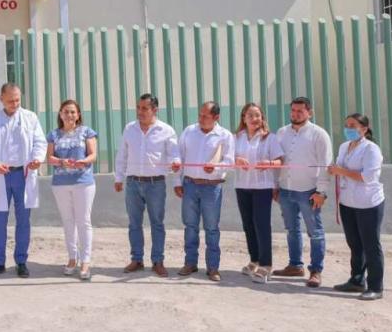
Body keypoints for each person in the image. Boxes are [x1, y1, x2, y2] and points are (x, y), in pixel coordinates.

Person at [0, 83, 47, 280]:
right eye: (10, 101)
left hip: (23, 174)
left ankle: (21, 261)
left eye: (17, 100)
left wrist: (37, 158)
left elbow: (40, 142)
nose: (15, 104)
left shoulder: (30, 117)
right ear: (1, 98)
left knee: (23, 220)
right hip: (1, 174)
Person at [114, 93, 181, 277]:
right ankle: (137, 259)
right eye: (138, 108)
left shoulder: (166, 131)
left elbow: (174, 156)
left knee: (157, 223)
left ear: (154, 110)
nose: (140, 112)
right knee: (134, 223)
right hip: (133, 183)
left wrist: (177, 177)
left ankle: (158, 261)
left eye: (144, 108)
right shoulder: (130, 129)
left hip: (156, 184)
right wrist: (118, 178)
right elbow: (122, 155)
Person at [273, 97, 333, 288]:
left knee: (315, 232)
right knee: (292, 230)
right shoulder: (282, 133)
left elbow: (325, 165)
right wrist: (276, 186)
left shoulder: (319, 134)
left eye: (300, 111)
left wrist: (321, 192)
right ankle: (295, 265)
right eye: (293, 111)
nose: (295, 114)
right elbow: (278, 161)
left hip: (309, 191)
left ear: (309, 112)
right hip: (286, 190)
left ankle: (315, 271)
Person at [174, 101, 235, 282]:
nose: (201, 119)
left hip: (212, 187)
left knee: (211, 228)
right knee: (190, 226)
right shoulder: (189, 131)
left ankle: (213, 267)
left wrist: (216, 167)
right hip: (190, 185)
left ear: (216, 117)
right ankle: (190, 263)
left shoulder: (225, 136)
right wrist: (178, 181)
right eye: (200, 115)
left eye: (205, 116)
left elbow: (230, 162)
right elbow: (179, 157)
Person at [329, 114, 385, 301]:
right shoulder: (344, 146)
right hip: (348, 202)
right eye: (346, 125)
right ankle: (356, 280)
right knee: (354, 243)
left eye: (353, 125)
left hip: (368, 202)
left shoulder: (371, 149)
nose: (348, 129)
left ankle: (376, 286)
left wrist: (340, 171)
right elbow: (340, 167)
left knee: (371, 245)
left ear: (365, 128)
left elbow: (367, 177)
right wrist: (334, 169)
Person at [46, 99, 98, 281]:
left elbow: (93, 155)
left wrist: (84, 161)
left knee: (83, 221)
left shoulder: (87, 132)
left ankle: (86, 261)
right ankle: (72, 258)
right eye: (66, 112)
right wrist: (61, 161)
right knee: (68, 221)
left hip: (83, 182)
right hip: (61, 183)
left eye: (73, 112)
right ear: (60, 114)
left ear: (78, 115)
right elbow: (49, 158)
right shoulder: (53, 134)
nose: (69, 115)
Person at [233, 103, 283, 284]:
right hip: (242, 186)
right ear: (243, 118)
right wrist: (236, 159)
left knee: (261, 225)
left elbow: (280, 161)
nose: (255, 119)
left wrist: (269, 164)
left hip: (263, 187)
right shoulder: (237, 137)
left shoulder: (270, 138)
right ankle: (254, 260)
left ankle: (266, 265)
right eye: (251, 115)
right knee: (248, 225)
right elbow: (228, 158)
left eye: (258, 115)